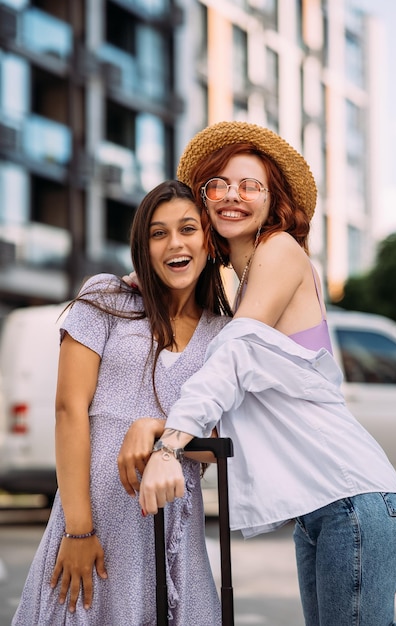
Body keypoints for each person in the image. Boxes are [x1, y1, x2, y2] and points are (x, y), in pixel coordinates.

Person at [123, 122, 396, 626]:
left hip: (354, 500)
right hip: (319, 510)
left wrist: (168, 446)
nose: (231, 196)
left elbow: (231, 361)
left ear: (273, 199)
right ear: (204, 200)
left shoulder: (280, 252)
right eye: (218, 185)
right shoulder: (245, 284)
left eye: (249, 185)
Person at [12, 180, 233, 626]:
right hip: (92, 528)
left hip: (173, 534)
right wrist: (79, 530)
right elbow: (69, 410)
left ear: (208, 240)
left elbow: (220, 443)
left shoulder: (222, 333)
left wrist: (156, 427)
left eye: (188, 228)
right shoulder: (107, 298)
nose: (175, 243)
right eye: (158, 233)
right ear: (143, 247)